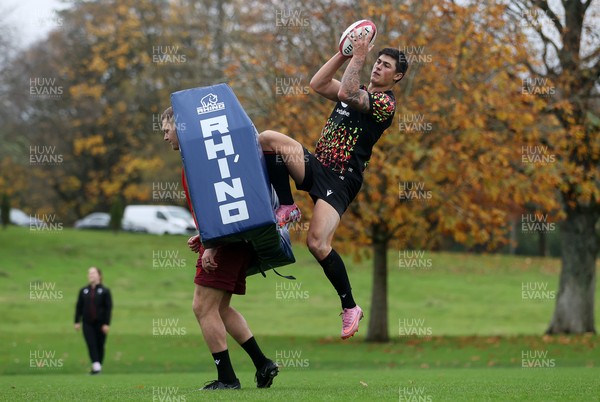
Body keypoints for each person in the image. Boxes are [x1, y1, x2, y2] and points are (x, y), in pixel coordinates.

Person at [259, 29, 408, 339]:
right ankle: (287, 206)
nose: (378, 67)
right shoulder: (357, 88)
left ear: (398, 77)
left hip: (341, 180)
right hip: (318, 165)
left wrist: (359, 56)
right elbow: (318, 84)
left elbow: (347, 94)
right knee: (268, 140)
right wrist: (344, 52)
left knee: (316, 243)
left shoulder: (384, 104)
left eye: (386, 66)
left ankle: (350, 306)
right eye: (377, 62)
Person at [161, 106, 279, 390]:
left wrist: (212, 245)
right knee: (220, 308)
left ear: (182, 127)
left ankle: (227, 379)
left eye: (167, 129)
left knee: (202, 307)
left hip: (225, 243)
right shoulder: (200, 159)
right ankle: (263, 364)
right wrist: (203, 237)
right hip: (233, 241)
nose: (165, 136)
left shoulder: (199, 161)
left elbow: (218, 205)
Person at [74, 266, 113, 374]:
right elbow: (79, 306)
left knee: (100, 345)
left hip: (100, 323)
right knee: (91, 344)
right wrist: (77, 321)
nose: (91, 275)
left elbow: (108, 308)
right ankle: (96, 365)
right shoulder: (83, 291)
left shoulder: (105, 291)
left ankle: (97, 366)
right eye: (89, 273)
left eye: (93, 273)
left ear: (99, 275)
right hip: (87, 323)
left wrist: (106, 323)